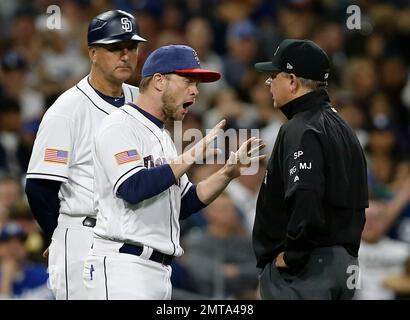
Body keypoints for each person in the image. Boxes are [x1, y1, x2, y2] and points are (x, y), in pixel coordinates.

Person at [83, 44, 265, 300]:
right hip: (122, 266)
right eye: (188, 81)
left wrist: (226, 174)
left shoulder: (163, 137)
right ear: (159, 81)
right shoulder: (120, 125)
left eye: (198, 84)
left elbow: (183, 202)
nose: (195, 91)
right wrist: (191, 155)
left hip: (155, 269)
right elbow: (132, 188)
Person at [24, 10, 146, 300]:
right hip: (84, 234)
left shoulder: (140, 101)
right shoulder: (67, 110)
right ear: (92, 52)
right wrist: (58, 234)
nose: (126, 56)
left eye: (131, 47)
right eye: (115, 48)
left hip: (130, 235)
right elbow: (40, 185)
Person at [252, 39, 369, 300]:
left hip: (307, 271)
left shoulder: (301, 128)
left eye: (273, 76)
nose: (268, 83)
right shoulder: (343, 128)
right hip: (342, 265)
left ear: (292, 81)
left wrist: (293, 254)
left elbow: (306, 196)